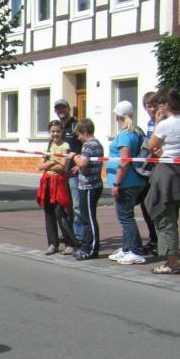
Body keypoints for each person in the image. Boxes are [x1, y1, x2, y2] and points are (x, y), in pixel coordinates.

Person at [144, 89, 180, 275]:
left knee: (164, 218)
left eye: (159, 104)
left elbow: (152, 146)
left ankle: (172, 262)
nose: (157, 108)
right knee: (171, 217)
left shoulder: (165, 124)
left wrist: (157, 123)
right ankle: (172, 258)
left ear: (166, 104)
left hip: (167, 173)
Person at [106, 101, 147, 265]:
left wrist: (116, 184)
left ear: (118, 116)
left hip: (126, 183)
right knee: (126, 216)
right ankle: (126, 248)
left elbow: (124, 161)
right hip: (133, 181)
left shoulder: (125, 134)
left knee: (126, 218)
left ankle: (136, 251)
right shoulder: (135, 131)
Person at [36, 120, 78, 255]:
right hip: (47, 182)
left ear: (62, 132)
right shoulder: (49, 145)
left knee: (60, 213)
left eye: (58, 131)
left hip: (59, 182)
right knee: (48, 212)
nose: (55, 134)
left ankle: (70, 243)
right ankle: (53, 243)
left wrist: (49, 162)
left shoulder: (65, 145)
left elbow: (62, 167)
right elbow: (39, 166)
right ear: (50, 132)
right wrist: (53, 162)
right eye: (53, 131)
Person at [70, 118, 103, 260]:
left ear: (84, 131)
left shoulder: (89, 145)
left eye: (78, 135)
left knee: (89, 219)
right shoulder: (96, 144)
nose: (78, 138)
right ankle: (86, 246)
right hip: (87, 185)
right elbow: (87, 163)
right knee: (85, 218)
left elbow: (83, 162)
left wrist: (74, 156)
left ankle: (92, 249)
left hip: (90, 186)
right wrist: (79, 165)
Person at [53, 99, 84, 248]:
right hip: (60, 173)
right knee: (64, 206)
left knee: (76, 206)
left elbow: (84, 144)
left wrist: (79, 164)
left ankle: (79, 237)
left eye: (63, 108)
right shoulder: (57, 127)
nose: (61, 111)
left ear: (68, 109)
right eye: (58, 108)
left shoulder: (75, 125)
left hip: (73, 172)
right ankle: (68, 234)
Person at [136, 91, 158, 253]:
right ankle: (153, 239)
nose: (151, 109)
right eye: (148, 106)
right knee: (145, 206)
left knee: (156, 207)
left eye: (153, 105)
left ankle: (160, 242)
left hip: (159, 171)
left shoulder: (162, 122)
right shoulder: (151, 123)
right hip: (148, 170)